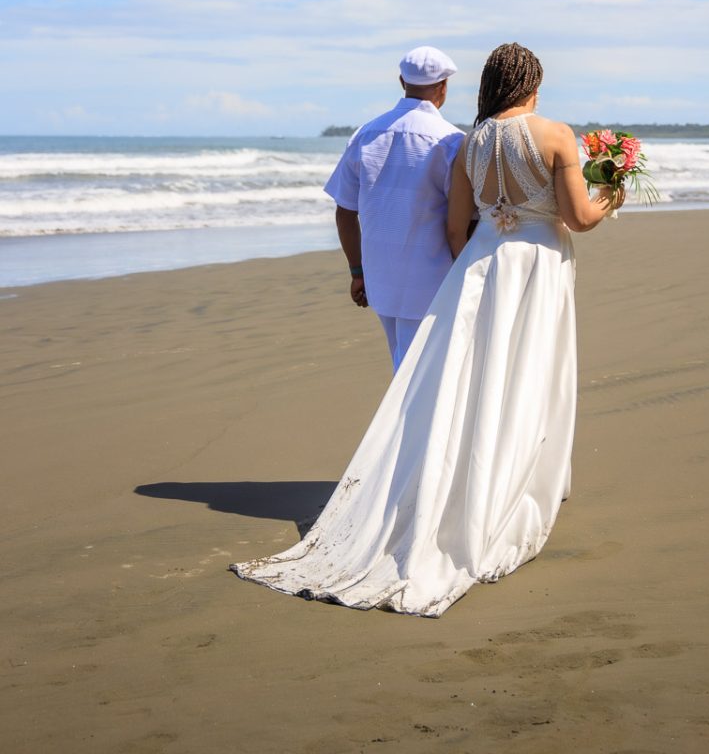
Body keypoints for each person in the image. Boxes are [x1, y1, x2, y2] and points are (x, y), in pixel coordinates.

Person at [231, 43, 624, 617]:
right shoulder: (556, 135)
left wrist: (476, 268)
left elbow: (453, 229)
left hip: (481, 270)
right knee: (527, 376)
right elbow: (580, 220)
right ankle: (509, 490)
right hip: (537, 270)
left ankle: (451, 484)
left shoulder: (468, 143)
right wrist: (612, 191)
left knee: (468, 384)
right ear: (533, 83)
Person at [323, 45, 463, 372]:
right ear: (443, 86)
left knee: (402, 367)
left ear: (402, 81)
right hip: (433, 279)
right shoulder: (451, 141)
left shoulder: (365, 134)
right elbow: (460, 221)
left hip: (380, 277)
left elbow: (345, 211)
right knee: (423, 378)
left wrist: (357, 271)